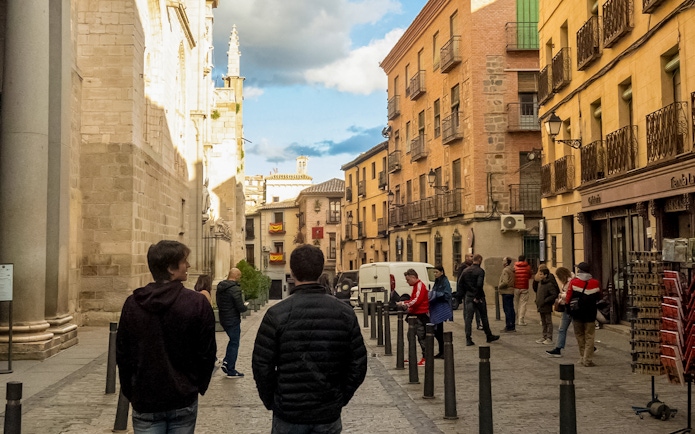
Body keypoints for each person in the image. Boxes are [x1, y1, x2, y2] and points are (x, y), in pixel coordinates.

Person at [252, 245, 367, 433]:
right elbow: (358, 363)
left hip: (289, 413)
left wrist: (274, 400)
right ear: (320, 271)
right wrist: (339, 398)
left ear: (292, 272)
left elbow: (261, 365)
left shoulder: (276, 314)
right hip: (326, 413)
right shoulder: (344, 313)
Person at [116, 240, 216, 434]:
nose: (188, 266)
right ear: (171, 268)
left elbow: (123, 354)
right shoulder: (197, 303)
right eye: (184, 261)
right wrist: (196, 385)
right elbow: (207, 352)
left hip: (146, 398)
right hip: (182, 397)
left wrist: (132, 391)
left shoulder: (133, 304)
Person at [459, 254, 500, 346]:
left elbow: (460, 283)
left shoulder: (465, 270)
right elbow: (479, 285)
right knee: (484, 317)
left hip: (468, 296)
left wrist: (464, 294)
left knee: (468, 318)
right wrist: (477, 297)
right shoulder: (480, 271)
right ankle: (488, 335)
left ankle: (468, 338)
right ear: (480, 260)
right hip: (478, 296)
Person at [566, 262, 601, 367]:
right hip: (590, 313)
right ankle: (588, 359)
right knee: (590, 336)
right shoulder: (595, 283)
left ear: (580, 271)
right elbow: (598, 298)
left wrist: (569, 310)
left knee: (580, 335)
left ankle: (582, 357)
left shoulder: (574, 282)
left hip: (577, 313)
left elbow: (568, 298)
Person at [217, 267, 248, 378]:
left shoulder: (220, 287)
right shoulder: (235, 289)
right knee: (234, 342)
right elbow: (239, 306)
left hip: (223, 318)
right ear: (236, 276)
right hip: (232, 319)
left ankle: (226, 362)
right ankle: (231, 369)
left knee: (232, 341)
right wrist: (245, 307)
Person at [397, 268, 430, 366]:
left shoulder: (420, 286)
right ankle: (412, 356)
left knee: (421, 336)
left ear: (413, 277)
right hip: (415, 314)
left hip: (420, 314)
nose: (407, 282)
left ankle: (425, 357)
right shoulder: (416, 286)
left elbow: (416, 300)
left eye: (408, 280)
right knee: (411, 336)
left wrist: (404, 303)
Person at [546, 267, 573, 357]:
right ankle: (558, 349)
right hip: (566, 308)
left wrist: (561, 295)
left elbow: (570, 295)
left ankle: (591, 347)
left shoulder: (571, 281)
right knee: (562, 329)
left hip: (572, 308)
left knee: (579, 330)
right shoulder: (565, 282)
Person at [429, 265, 454, 359]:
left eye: (436, 272)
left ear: (442, 272)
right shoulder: (437, 281)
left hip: (441, 307)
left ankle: (443, 351)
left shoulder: (444, 281)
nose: (435, 274)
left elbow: (447, 294)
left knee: (438, 330)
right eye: (434, 272)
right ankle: (441, 351)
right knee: (436, 330)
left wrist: (435, 295)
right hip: (436, 307)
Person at [534, 265, 559, 345]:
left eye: (541, 274)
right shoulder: (540, 283)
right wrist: (537, 301)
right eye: (540, 274)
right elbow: (538, 292)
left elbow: (554, 294)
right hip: (540, 305)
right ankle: (544, 336)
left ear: (546, 275)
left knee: (548, 322)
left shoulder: (549, 284)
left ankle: (549, 337)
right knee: (543, 322)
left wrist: (546, 300)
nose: (540, 275)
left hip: (546, 305)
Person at [456, 253, 482, 330]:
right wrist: (460, 292)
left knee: (478, 309)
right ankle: (467, 324)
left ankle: (479, 323)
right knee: (467, 309)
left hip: (475, 291)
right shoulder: (462, 267)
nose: (472, 257)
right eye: (471, 256)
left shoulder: (475, 267)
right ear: (466, 258)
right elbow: (460, 280)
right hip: (467, 291)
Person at [513, 255, 533, 326]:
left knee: (515, 304)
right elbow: (530, 276)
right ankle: (521, 320)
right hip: (524, 287)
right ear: (525, 259)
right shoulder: (528, 267)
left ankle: (514, 320)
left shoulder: (514, 267)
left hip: (516, 287)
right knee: (523, 304)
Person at [498, 257, 516, 332]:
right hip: (511, 291)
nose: (502, 262)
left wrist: (499, 286)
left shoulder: (505, 270)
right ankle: (512, 325)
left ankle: (509, 326)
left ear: (506, 262)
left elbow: (505, 282)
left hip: (506, 291)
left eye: (503, 260)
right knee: (511, 309)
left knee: (507, 309)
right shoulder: (511, 270)